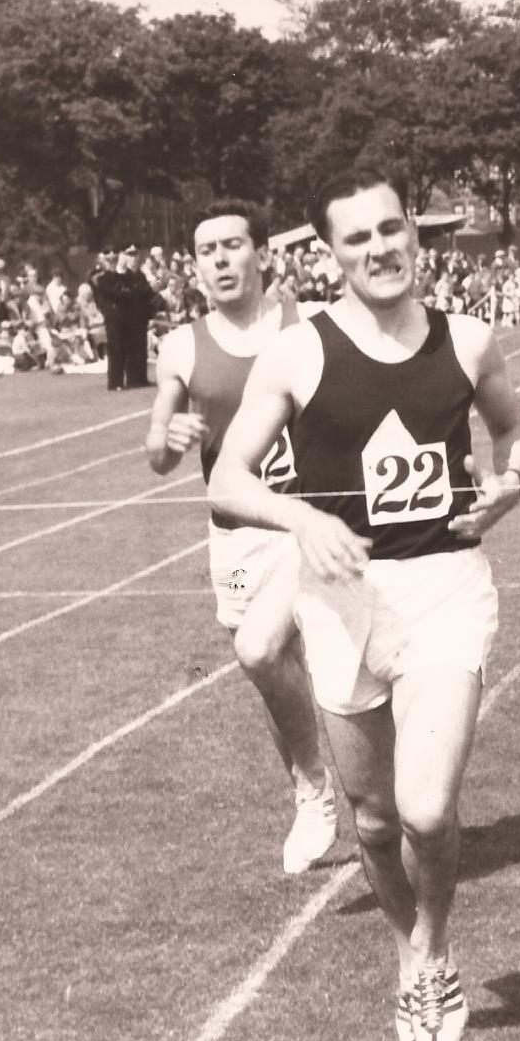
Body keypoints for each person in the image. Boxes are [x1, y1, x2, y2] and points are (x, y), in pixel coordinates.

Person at [209, 167, 520, 1041]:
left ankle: (435, 946)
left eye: (390, 230)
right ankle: (407, 950)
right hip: (342, 601)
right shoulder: (298, 353)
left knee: (427, 809)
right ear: (330, 254)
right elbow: (228, 479)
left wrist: (508, 484)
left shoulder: (468, 342)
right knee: (375, 818)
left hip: (443, 587)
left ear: (415, 237)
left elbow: (514, 432)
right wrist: (302, 517)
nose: (379, 249)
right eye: (356, 238)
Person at [146, 199, 336, 876]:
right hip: (234, 535)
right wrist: (168, 439)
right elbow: (156, 451)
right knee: (273, 673)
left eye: (232, 245)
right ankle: (311, 786)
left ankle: (317, 790)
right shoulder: (180, 346)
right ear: (194, 267)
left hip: (306, 524)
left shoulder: (309, 326)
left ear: (264, 254)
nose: (220, 260)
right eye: (206, 250)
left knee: (263, 651)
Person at [97, 242, 155, 390]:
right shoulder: (105, 277)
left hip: (134, 317)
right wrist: (131, 292)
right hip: (115, 318)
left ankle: (137, 379)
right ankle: (115, 382)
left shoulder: (137, 275)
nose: (133, 257)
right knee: (117, 350)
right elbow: (115, 294)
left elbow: (148, 291)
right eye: (129, 254)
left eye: (135, 254)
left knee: (137, 349)